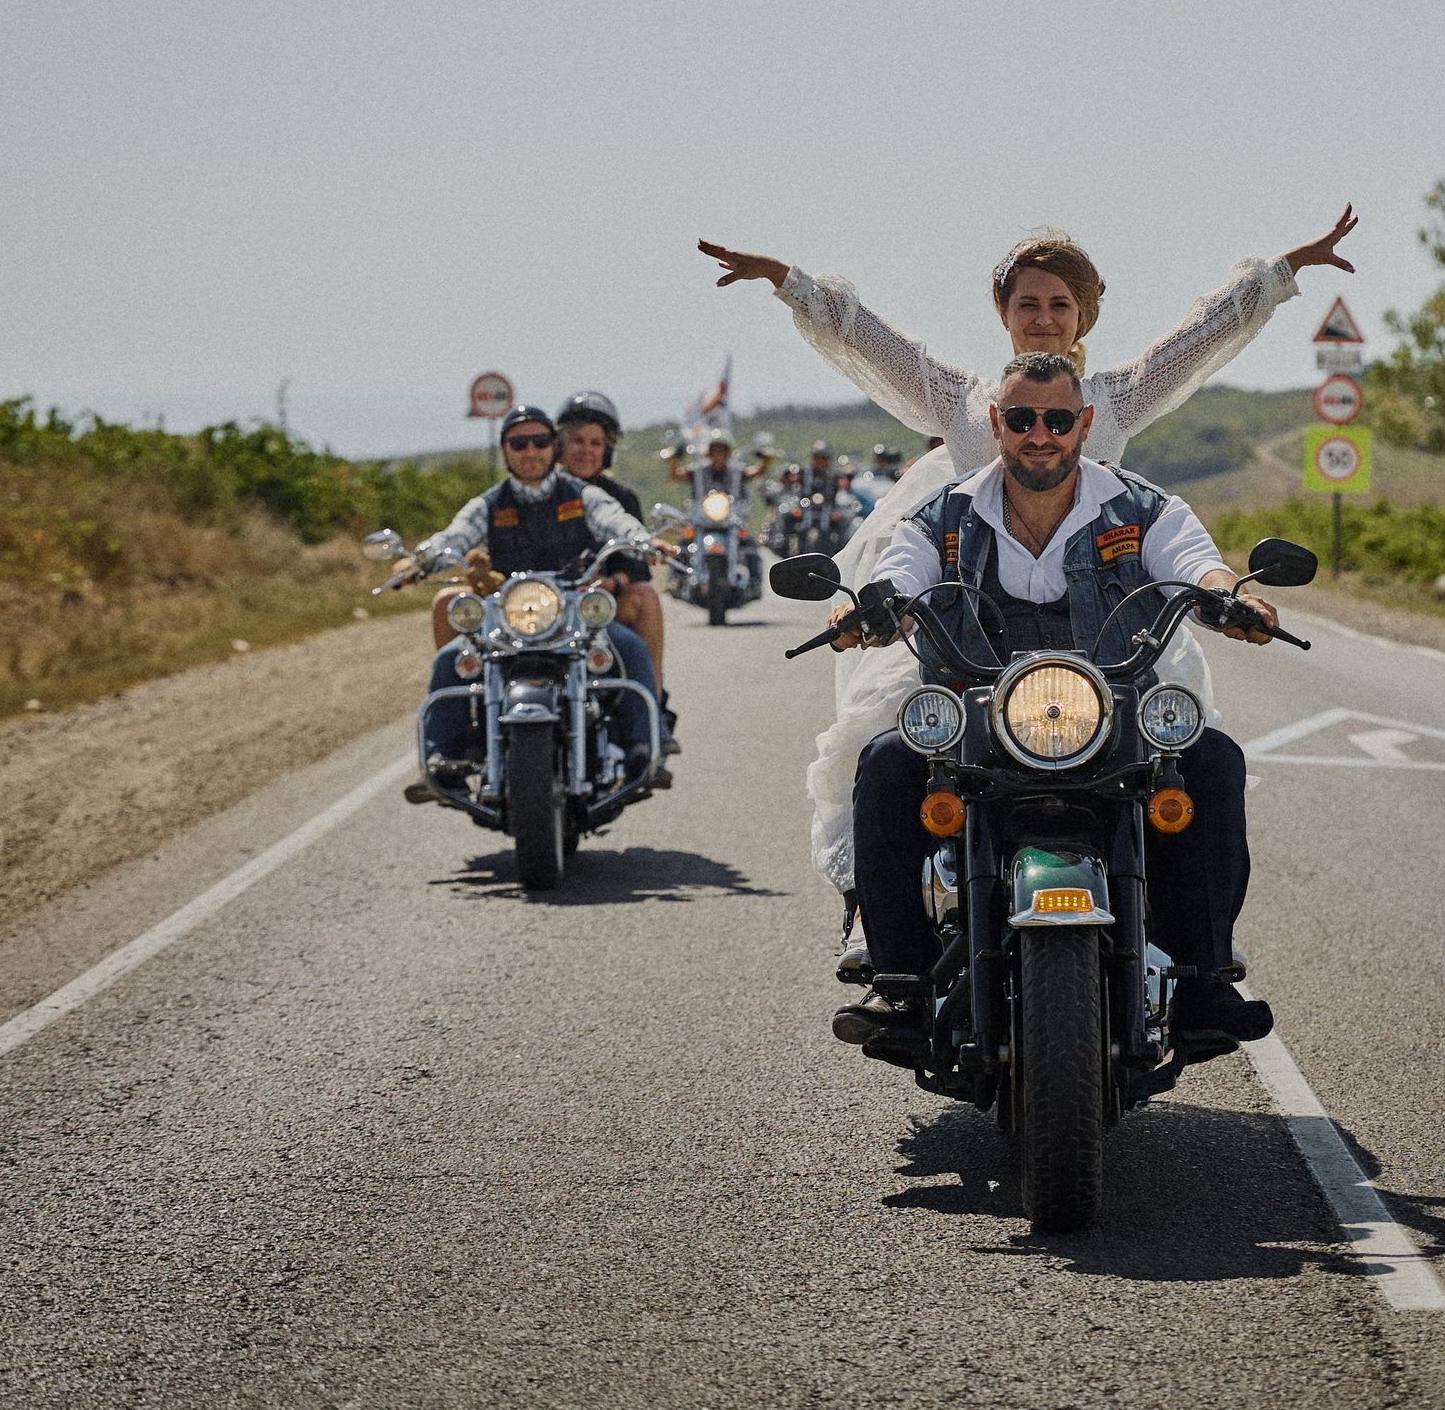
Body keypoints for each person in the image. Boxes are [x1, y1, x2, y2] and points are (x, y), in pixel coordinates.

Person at [696, 212, 1356, 900]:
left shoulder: (1116, 403)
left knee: (1199, 758)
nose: (1043, 319)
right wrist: (786, 281)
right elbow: (870, 338)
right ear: (1005, 318)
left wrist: (1283, 273)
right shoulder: (963, 402)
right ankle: (884, 931)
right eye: (1028, 304)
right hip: (967, 628)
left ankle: (1198, 958)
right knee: (884, 750)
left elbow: (1199, 342)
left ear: (1084, 321)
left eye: (1060, 304)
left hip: (1107, 637)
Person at [829, 352, 1280, 1054]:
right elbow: (899, 568)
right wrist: (876, 605)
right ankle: (900, 980)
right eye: (1021, 419)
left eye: (1058, 419)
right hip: (978, 719)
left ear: (1085, 423)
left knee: (1213, 759)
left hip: (1113, 712)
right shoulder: (943, 515)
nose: (1040, 433)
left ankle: (1202, 979)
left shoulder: (1141, 508)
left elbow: (1196, 561)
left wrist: (1230, 596)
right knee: (885, 764)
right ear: (996, 424)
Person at [408, 406, 674, 788]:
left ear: (553, 447)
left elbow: (615, 521)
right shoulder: (488, 504)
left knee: (628, 648)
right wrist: (417, 562)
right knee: (452, 660)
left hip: (572, 614)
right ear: (505, 450)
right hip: (507, 616)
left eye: (540, 441)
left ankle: (644, 747)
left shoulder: (584, 496)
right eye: (519, 443)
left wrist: (644, 542)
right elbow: (454, 537)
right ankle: (443, 756)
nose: (530, 451)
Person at [553, 390, 679, 755]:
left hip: (599, 607)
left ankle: (650, 714)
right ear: (559, 444)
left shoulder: (620, 497)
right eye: (576, 440)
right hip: (540, 607)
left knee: (646, 596)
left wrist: (611, 582)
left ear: (607, 450)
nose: (585, 450)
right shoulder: (543, 492)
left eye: (595, 442)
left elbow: (636, 566)